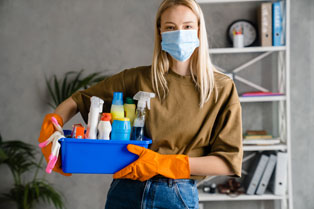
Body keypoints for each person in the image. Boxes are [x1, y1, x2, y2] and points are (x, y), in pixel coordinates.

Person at [38, 0, 243, 208]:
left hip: (175, 194)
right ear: (160, 31)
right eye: (170, 27)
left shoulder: (221, 88)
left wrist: (161, 163)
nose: (179, 33)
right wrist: (52, 124)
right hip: (126, 190)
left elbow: (227, 162)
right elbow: (79, 100)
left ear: (199, 29)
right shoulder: (136, 79)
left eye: (188, 26)